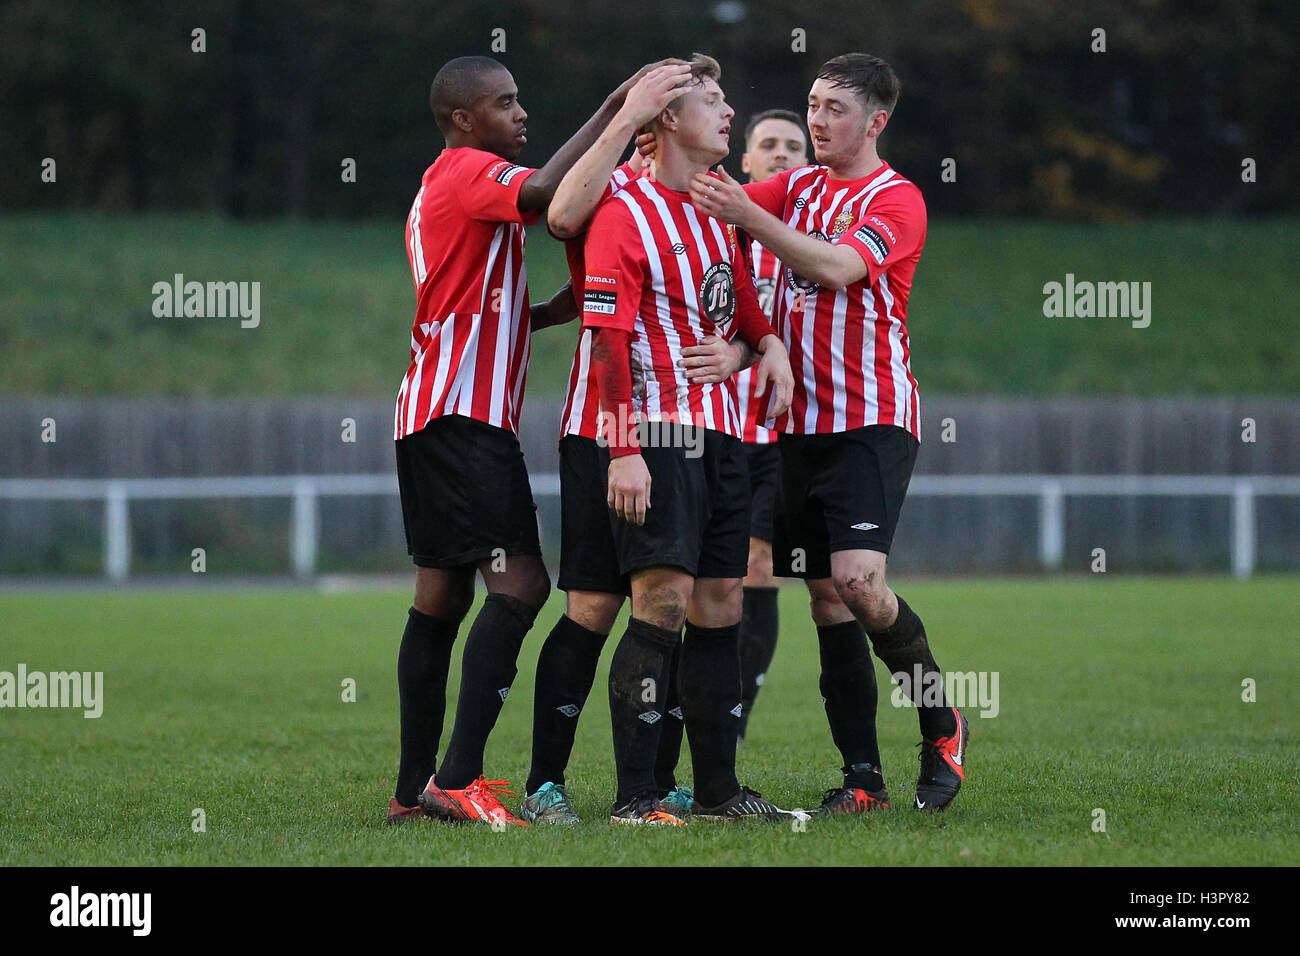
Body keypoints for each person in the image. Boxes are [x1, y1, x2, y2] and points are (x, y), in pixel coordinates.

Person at [387, 55, 677, 827]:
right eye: (505, 103)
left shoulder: (440, 186)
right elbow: (549, 196)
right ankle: (458, 779)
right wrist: (621, 109)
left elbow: (468, 299)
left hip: (432, 416)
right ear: (463, 120)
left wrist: (547, 314)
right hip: (464, 419)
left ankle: (412, 793)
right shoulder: (466, 172)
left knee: (442, 598)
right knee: (520, 587)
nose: (521, 114)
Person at [688, 53, 969, 812]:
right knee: (826, 601)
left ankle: (941, 722)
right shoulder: (795, 187)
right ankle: (863, 780)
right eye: (811, 104)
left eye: (834, 109)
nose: (815, 120)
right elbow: (710, 203)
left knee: (858, 584)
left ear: (876, 121)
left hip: (867, 424)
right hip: (788, 430)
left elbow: (841, 267)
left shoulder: (896, 199)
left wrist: (748, 217)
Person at [582, 54, 803, 823]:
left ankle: (718, 792)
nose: (728, 112)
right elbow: (608, 343)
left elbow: (742, 308)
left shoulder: (718, 208)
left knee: (720, 600)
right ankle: (637, 796)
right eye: (711, 102)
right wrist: (624, 449)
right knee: (663, 600)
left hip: (727, 436)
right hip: (660, 435)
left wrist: (764, 347)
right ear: (668, 120)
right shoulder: (624, 211)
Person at [731, 109, 809, 740]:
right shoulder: (720, 232)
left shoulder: (821, 240)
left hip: (781, 438)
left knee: (762, 568)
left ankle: (733, 720)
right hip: (712, 427)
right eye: (768, 145)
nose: (782, 153)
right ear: (745, 163)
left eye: (794, 146)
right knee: (703, 582)